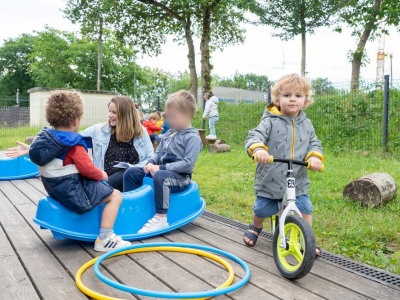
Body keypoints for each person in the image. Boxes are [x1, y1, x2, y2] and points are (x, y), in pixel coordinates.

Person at [28, 91, 130, 252]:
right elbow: (88, 170)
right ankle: (105, 238)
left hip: (57, 191)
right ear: (76, 121)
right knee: (115, 195)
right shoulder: (73, 144)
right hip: (74, 193)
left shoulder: (45, 141)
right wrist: (102, 174)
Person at [243, 74, 324, 257]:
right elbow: (254, 136)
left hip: (298, 180)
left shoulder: (307, 124)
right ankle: (256, 227)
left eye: (298, 95)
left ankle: (307, 239)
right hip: (271, 178)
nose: (292, 99)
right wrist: (258, 150)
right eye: (287, 95)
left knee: (304, 209)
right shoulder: (269, 121)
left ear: (305, 100)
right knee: (262, 208)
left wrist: (315, 158)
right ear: (277, 100)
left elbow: (314, 143)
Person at [6, 96, 154, 192]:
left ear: (126, 115)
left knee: (127, 173)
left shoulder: (140, 133)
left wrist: (133, 168)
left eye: (114, 112)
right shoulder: (99, 130)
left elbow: (150, 158)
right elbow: (67, 139)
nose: (110, 115)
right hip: (104, 179)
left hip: (131, 180)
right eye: (109, 111)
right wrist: (33, 148)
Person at [123, 90, 202, 233]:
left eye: (172, 116)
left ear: (186, 115)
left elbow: (187, 164)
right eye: (168, 116)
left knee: (161, 176)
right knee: (131, 172)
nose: (168, 120)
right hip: (161, 171)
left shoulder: (192, 138)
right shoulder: (169, 134)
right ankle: (132, 209)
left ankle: (161, 219)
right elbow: (158, 152)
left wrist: (161, 168)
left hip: (180, 178)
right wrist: (151, 162)